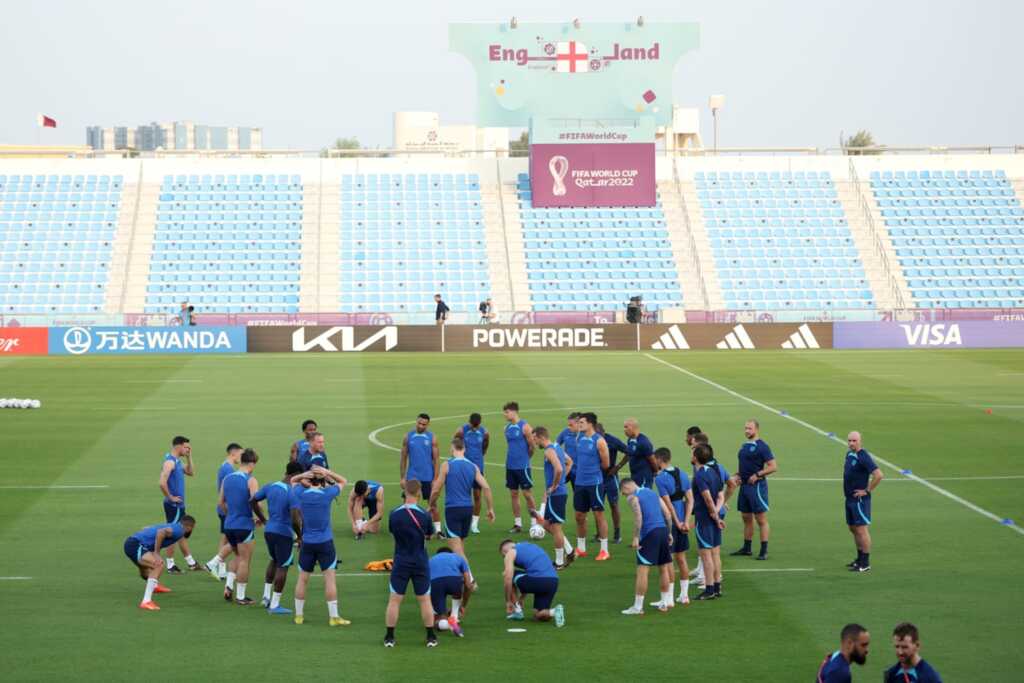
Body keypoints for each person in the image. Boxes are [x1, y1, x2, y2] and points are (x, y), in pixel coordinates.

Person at [291, 465, 350, 626]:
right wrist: (328, 472)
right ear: (322, 480)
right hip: (325, 542)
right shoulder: (327, 494)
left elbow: (292, 480)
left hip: (307, 542)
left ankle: (299, 616)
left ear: (309, 480)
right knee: (329, 579)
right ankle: (333, 617)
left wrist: (304, 474)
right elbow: (343, 481)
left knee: (302, 579)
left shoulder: (301, 494)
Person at [385, 481, 437, 648]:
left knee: (394, 600)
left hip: (401, 560)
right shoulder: (424, 515)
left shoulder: (394, 514)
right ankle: (430, 636)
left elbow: (393, 532)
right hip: (420, 561)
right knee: (424, 600)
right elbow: (429, 535)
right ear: (419, 493)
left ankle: (389, 637)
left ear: (405, 492)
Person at [428, 435, 495, 556]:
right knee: (460, 546)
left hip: (453, 509)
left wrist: (431, 504)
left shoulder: (447, 465)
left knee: (457, 551)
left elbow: (436, 490)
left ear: (452, 449)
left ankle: (468, 575)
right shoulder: (473, 466)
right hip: (468, 509)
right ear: (464, 449)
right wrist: (490, 509)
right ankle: (459, 574)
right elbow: (486, 487)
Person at [253, 460, 304, 615]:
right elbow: (295, 518)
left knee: (273, 560)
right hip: (283, 533)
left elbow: (253, 500)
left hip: (269, 530)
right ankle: (275, 605)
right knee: (283, 566)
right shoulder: (291, 492)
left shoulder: (271, 486)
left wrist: (263, 519)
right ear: (296, 475)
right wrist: (300, 536)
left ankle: (266, 597)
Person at [620, 478, 675, 614]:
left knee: (643, 570)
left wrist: (636, 537)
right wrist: (669, 533)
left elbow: (639, 518)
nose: (624, 496)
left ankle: (638, 607)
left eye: (623, 493)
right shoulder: (652, 493)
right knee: (663, 568)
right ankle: (664, 603)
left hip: (650, 534)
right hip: (662, 531)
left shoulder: (633, 498)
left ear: (627, 488)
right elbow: (667, 514)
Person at [219, 448, 264, 605]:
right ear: (251, 463)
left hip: (229, 524)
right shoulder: (250, 479)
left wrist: (231, 514)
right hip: (244, 525)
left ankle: (228, 587)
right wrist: (259, 518)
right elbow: (255, 501)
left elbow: (221, 503)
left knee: (237, 556)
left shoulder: (228, 478)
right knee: (245, 560)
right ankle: (241, 596)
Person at [123, 516, 195, 610]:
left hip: (132, 543)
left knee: (145, 568)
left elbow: (147, 528)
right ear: (189, 527)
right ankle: (146, 601)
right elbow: (161, 532)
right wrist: (156, 553)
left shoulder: (173, 526)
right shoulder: (179, 531)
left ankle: (154, 586)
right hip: (136, 545)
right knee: (158, 565)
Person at [730, 419, 778, 561]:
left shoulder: (762, 446)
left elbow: (773, 466)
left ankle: (764, 551)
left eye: (749, 428)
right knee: (746, 517)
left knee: (761, 519)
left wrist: (757, 475)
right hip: (744, 486)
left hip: (756, 487)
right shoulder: (745, 446)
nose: (746, 431)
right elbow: (744, 465)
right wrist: (737, 474)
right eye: (745, 428)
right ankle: (747, 548)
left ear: (756, 429)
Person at [654, 447, 694, 605]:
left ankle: (669, 599)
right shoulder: (682, 473)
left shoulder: (660, 478)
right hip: (683, 521)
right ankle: (684, 596)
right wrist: (685, 521)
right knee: (682, 558)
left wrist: (677, 523)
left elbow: (668, 505)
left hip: (669, 523)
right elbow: (690, 500)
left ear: (659, 459)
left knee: (668, 560)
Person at [533, 426, 575, 569]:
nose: (534, 442)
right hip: (557, 494)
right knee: (546, 524)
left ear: (541, 437)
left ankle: (559, 562)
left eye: (534, 439)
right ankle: (570, 551)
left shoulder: (549, 450)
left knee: (556, 528)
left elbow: (559, 468)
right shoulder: (557, 447)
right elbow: (569, 462)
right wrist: (561, 480)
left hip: (557, 494)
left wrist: (556, 484)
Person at [573, 412, 612, 561]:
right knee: (579, 516)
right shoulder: (579, 438)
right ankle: (581, 548)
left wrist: (593, 472)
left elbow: (606, 464)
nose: (579, 424)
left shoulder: (599, 441)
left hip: (594, 483)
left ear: (590, 424)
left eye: (582, 422)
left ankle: (604, 550)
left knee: (598, 515)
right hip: (579, 483)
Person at [500, 539, 564, 626]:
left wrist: (508, 601)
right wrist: (522, 598)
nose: (505, 558)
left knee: (509, 574)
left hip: (539, 581)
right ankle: (554, 612)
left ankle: (517, 611)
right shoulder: (530, 546)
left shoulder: (511, 552)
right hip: (553, 581)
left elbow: (508, 578)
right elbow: (531, 573)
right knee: (538, 615)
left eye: (503, 556)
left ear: (505, 551)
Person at [158, 435, 198, 572]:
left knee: (181, 532)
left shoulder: (178, 461)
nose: (188, 449)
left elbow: (191, 472)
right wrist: (170, 497)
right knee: (173, 533)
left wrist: (188, 456)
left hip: (179, 505)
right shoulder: (170, 462)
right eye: (186, 447)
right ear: (179, 446)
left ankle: (191, 563)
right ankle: (170, 565)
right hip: (174, 505)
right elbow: (162, 482)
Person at [844, 431, 883, 572]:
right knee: (853, 528)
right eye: (849, 440)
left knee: (861, 529)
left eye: (854, 440)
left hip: (859, 500)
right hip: (849, 498)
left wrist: (866, 490)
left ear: (860, 441)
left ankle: (865, 563)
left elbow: (878, 475)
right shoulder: (849, 454)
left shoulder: (863, 456)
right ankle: (859, 558)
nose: (851, 443)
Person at [692, 443, 725, 600]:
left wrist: (713, 514)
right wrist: (717, 513)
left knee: (706, 555)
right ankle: (717, 587)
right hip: (712, 519)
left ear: (696, 457)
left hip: (704, 519)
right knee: (715, 554)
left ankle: (709, 588)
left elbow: (707, 498)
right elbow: (721, 496)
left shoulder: (699, 475)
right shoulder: (713, 472)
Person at [205, 443, 241, 578]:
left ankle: (220, 569)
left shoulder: (225, 466)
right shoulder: (229, 470)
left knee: (225, 538)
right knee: (228, 540)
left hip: (223, 508)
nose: (241, 457)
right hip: (227, 509)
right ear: (233, 453)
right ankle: (215, 566)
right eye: (240, 454)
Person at [401, 413, 441, 532]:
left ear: (428, 425)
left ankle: (438, 530)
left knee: (432, 504)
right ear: (416, 422)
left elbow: (436, 459)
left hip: (427, 477)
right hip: (412, 476)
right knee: (408, 504)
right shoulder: (408, 436)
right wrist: (402, 477)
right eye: (419, 423)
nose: (421, 426)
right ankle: (407, 527)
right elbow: (403, 458)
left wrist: (435, 479)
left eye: (424, 424)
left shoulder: (432, 437)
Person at [502, 401, 537, 533]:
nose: (505, 415)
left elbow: (532, 446)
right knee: (514, 494)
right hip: (510, 466)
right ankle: (518, 524)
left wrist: (525, 459)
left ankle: (534, 522)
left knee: (527, 494)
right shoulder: (506, 428)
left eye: (507, 412)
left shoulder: (525, 427)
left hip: (523, 467)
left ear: (514, 412)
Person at [429, 548, 476, 638]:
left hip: (435, 583)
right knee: (456, 593)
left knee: (438, 619)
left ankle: (445, 622)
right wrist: (463, 605)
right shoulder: (458, 557)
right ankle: (454, 616)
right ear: (451, 553)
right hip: (454, 580)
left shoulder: (431, 559)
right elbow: (468, 584)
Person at [456, 413, 490, 534]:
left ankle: (474, 524)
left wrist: (480, 455)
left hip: (478, 467)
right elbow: (455, 444)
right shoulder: (461, 430)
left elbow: (485, 444)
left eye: (476, 426)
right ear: (469, 422)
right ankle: (462, 521)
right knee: (463, 495)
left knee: (477, 495)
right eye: (472, 425)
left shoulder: (484, 432)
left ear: (479, 424)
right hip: (463, 467)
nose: (474, 428)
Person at [595, 422, 627, 544]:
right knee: (597, 507)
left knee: (613, 504)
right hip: (597, 478)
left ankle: (617, 534)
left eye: (598, 434)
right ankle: (599, 534)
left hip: (610, 477)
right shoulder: (592, 440)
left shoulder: (612, 440)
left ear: (603, 432)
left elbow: (628, 452)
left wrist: (617, 467)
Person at [623, 418, 657, 489]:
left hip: (643, 477)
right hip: (634, 476)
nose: (624, 430)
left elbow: (652, 460)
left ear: (633, 427)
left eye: (626, 427)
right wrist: (618, 466)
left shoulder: (644, 442)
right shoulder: (630, 440)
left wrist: (655, 471)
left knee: (643, 498)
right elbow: (629, 454)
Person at [556, 412, 580, 491]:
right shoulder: (565, 432)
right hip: (567, 468)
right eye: (568, 425)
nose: (569, 427)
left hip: (579, 472)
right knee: (553, 487)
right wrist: (561, 456)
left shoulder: (586, 436)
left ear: (578, 423)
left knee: (578, 496)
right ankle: (547, 503)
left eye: (571, 425)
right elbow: (555, 445)